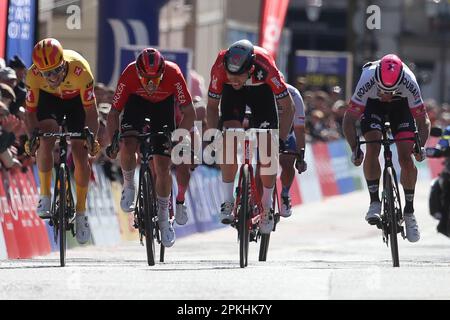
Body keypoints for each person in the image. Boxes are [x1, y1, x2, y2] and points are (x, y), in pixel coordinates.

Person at [106, 48, 196, 248]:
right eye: (146, 79)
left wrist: (177, 138)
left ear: (163, 73)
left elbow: (189, 112)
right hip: (136, 105)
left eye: (155, 80)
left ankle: (164, 218)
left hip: (162, 109)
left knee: (163, 165)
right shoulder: (129, 73)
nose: (150, 84)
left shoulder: (174, 73)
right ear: (138, 73)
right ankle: (129, 185)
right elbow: (113, 113)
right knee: (128, 144)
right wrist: (114, 139)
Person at [206, 39, 295, 234]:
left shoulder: (266, 66)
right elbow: (212, 107)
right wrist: (212, 136)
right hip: (232, 97)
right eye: (231, 74)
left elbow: (288, 107)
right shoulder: (220, 66)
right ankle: (228, 201)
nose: (235, 78)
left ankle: (267, 207)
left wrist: (280, 139)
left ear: (251, 68)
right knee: (229, 141)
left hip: (261, 93)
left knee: (267, 154)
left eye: (239, 75)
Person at [343, 54, 431, 243]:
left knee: (406, 157)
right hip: (373, 107)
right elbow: (349, 119)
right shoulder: (367, 78)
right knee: (373, 147)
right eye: (382, 90)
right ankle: (374, 201)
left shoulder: (409, 81)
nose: (386, 95)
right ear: (376, 80)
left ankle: (409, 212)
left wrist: (420, 146)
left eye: (391, 91)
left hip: (401, 108)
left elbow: (423, 120)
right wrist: (354, 148)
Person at [25, 38, 100, 245]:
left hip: (76, 102)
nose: (52, 77)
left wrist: (91, 136)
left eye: (56, 70)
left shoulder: (80, 70)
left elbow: (91, 113)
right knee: (46, 137)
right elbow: (30, 114)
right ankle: (45, 195)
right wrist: (32, 136)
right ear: (38, 70)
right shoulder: (32, 75)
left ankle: (82, 212)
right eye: (46, 73)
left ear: (64, 64)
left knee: (79, 150)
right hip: (50, 101)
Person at [278, 82, 308, 218]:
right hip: (265, 127)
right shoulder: (260, 88)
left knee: (287, 161)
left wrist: (301, 156)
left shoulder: (294, 94)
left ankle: (284, 193)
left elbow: (299, 129)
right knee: (262, 165)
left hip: (287, 131)